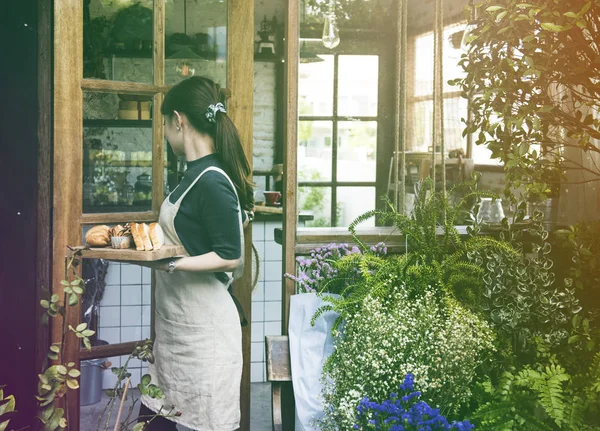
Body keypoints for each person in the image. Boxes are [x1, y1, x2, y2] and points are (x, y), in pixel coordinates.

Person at [136, 76, 253, 430]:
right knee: (156, 417)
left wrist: (169, 262)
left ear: (178, 119)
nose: (166, 133)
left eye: (165, 125)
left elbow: (230, 255)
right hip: (178, 331)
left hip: (205, 339)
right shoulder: (192, 175)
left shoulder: (212, 179)